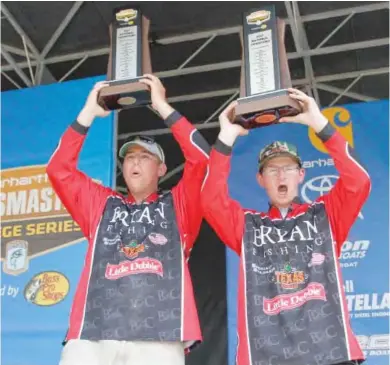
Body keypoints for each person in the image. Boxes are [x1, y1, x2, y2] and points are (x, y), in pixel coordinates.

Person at [47, 74, 210, 365]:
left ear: (161, 170)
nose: (135, 161)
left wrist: (161, 106)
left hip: (160, 333)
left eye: (145, 157)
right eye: (130, 157)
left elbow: (204, 161)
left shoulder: (179, 205)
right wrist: (88, 114)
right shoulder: (102, 205)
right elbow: (59, 169)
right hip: (93, 333)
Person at [201, 88, 371, 365]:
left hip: (330, 351)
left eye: (288, 168)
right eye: (272, 169)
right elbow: (210, 200)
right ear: (260, 179)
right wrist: (226, 138)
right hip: (266, 355)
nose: (281, 174)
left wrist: (320, 124)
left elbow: (359, 181)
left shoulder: (325, 215)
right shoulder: (247, 226)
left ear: (301, 175)